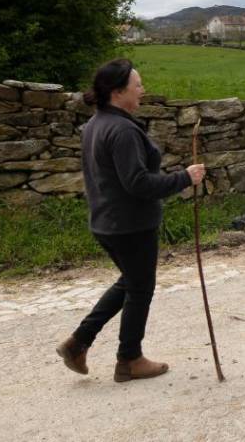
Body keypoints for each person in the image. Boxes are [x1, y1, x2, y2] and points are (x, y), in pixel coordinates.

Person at [55, 58, 205, 382]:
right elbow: (137, 183)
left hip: (108, 221)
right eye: (137, 86)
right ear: (118, 91)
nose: (143, 90)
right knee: (140, 287)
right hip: (129, 224)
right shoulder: (121, 130)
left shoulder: (97, 123)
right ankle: (129, 360)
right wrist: (184, 178)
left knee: (131, 281)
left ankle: (78, 343)